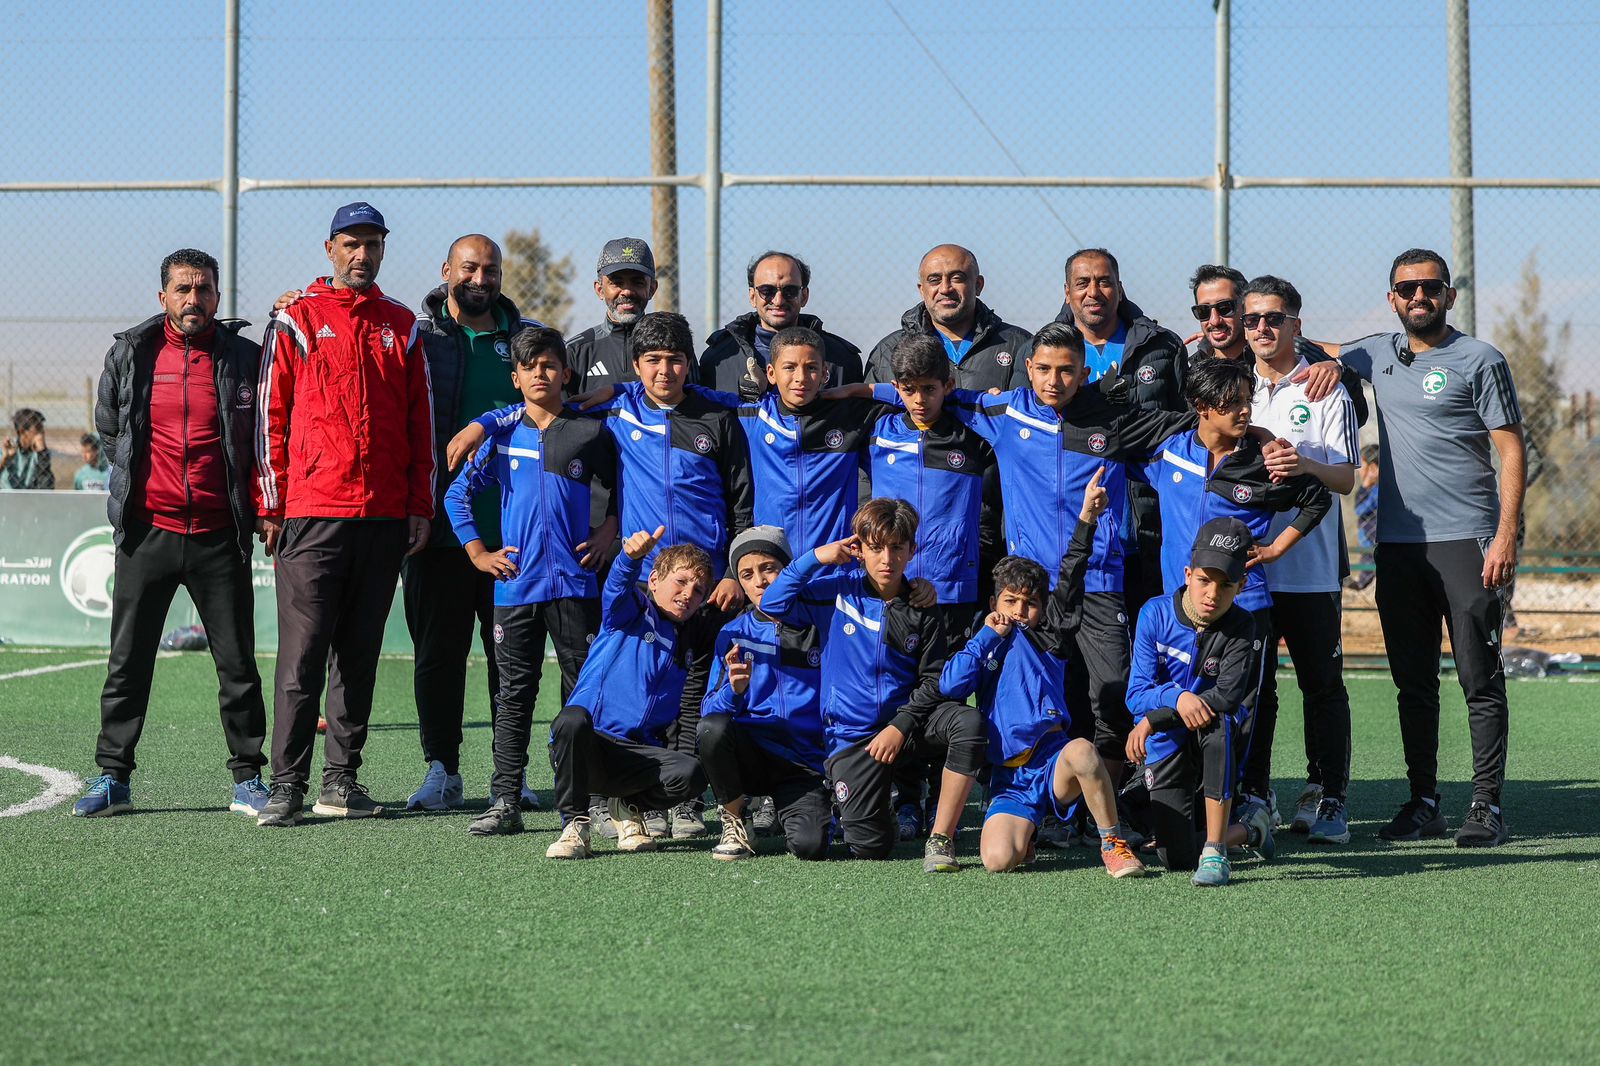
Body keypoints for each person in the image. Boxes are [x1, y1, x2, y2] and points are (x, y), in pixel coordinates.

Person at [859, 322, 1195, 796]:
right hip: (1030, 592)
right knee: (1028, 701)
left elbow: (1193, 425)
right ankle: (1029, 798)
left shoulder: (1114, 419)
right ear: (1028, 370)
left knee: (1112, 696)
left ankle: (1102, 810)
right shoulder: (1004, 410)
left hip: (1098, 581)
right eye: (1043, 370)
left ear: (1083, 372)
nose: (1053, 381)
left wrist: (1257, 432)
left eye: (1066, 371)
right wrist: (862, 390)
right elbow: (927, 395)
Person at [457, 310, 752, 839]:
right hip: (643, 585)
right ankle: (543, 798)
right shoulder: (616, 410)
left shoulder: (716, 418)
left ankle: (677, 801)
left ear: (690, 365)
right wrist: (486, 421)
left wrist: (730, 569)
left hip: (704, 586)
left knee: (694, 689)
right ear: (637, 365)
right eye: (653, 361)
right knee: (626, 688)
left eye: (676, 360)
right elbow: (537, 409)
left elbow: (742, 501)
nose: (665, 371)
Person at [253, 201, 436, 828]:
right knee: (301, 658)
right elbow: (269, 415)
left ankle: (341, 782)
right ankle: (286, 785)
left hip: (384, 516)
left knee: (358, 656)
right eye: (351, 244)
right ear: (330, 248)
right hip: (311, 513)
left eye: (373, 244)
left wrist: (418, 503)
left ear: (383, 251)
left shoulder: (402, 324)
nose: (363, 255)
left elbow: (421, 424)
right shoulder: (296, 318)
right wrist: (271, 502)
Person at [1336, 249, 1525, 848]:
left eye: (1430, 288)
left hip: (1468, 541)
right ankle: (1423, 802)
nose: (1419, 298)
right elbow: (1302, 349)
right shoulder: (1374, 355)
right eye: (1407, 289)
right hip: (1398, 546)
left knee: (1478, 676)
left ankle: (1487, 805)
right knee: (1412, 682)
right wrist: (1221, 335)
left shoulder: (1480, 359)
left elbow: (1512, 451)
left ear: (1447, 294)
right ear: (1392, 297)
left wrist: (1504, 536)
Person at [73, 248, 269, 818]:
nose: (194, 300)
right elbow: (111, 428)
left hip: (218, 535)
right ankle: (113, 777)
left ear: (216, 296)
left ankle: (247, 779)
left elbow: (259, 437)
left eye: (204, 289)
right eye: (183, 289)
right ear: (163, 297)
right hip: (147, 533)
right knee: (128, 661)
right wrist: (143, 488)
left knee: (237, 665)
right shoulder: (132, 352)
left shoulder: (243, 357)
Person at [1135, 356, 1332, 821]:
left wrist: (1277, 549)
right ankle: (1182, 797)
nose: (1244, 412)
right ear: (1201, 407)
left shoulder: (1264, 464)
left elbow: (1316, 498)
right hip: (1179, 609)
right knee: (1180, 698)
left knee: (1247, 706)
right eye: (1231, 404)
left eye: (1246, 401)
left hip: (1245, 607)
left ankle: (1253, 797)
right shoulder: (1167, 452)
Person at [443, 327, 619, 836]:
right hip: (516, 585)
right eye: (530, 366)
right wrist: (478, 552)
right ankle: (505, 800)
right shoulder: (500, 436)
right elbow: (458, 496)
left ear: (566, 373)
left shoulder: (590, 431)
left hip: (575, 584)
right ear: (515, 377)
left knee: (582, 694)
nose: (541, 374)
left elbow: (621, 485)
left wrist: (608, 529)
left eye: (550, 365)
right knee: (513, 695)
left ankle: (585, 803)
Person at [403, 234, 557, 812]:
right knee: (437, 657)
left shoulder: (526, 341)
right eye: (469, 268)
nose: (480, 278)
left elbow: (555, 403)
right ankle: (441, 769)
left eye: (490, 269)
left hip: (515, 536)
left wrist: (487, 423)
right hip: (436, 530)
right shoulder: (418, 338)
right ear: (447, 271)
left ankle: (508, 773)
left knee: (510, 663)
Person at [761, 498, 987, 874]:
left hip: (905, 727)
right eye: (876, 548)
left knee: (968, 722)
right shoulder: (834, 591)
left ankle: (940, 837)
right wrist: (817, 556)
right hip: (853, 737)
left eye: (897, 547)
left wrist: (900, 726)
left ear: (912, 550)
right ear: (860, 550)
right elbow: (773, 602)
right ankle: (852, 798)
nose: (887, 559)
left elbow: (933, 679)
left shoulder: (922, 604)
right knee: (871, 847)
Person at [940, 470, 1145, 877]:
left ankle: (1112, 843)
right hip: (1009, 779)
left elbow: (1071, 573)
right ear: (995, 600)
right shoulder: (983, 641)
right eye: (1011, 600)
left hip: (1054, 765)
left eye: (1030, 603)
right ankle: (1028, 833)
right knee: (998, 862)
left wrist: (1086, 518)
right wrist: (984, 639)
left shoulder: (1050, 633)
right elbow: (950, 685)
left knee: (1084, 751)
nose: (1019, 610)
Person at [858, 334, 999, 840]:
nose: (920, 399)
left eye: (931, 389)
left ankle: (949, 801)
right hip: (896, 594)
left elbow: (992, 512)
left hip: (954, 594)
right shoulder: (877, 432)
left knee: (953, 696)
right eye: (909, 389)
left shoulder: (973, 439)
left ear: (949, 385)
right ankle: (907, 795)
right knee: (899, 691)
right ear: (896, 388)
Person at [1243, 276, 1359, 843]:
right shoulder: (1234, 389)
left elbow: (1344, 478)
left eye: (1273, 318)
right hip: (1248, 571)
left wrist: (1305, 465)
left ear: (1296, 324)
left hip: (1309, 566)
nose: (1262, 329)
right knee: (1255, 688)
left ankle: (1329, 796)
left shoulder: (1323, 388)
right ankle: (1255, 792)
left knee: (1321, 683)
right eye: (1252, 320)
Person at [543, 527, 714, 859]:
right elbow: (617, 586)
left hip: (635, 758)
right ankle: (574, 826)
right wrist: (629, 558)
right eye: (680, 582)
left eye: (698, 590)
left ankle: (627, 807)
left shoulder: (690, 640)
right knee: (572, 718)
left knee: (692, 774)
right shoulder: (630, 612)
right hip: (589, 744)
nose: (687, 594)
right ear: (653, 581)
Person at [1126, 517, 1269, 886]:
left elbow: (1227, 696)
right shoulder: (1153, 613)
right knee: (1175, 859)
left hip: (1212, 733)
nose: (1212, 594)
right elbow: (1135, 692)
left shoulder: (1243, 625)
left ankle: (1217, 851)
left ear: (1242, 586)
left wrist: (1154, 719)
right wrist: (1178, 697)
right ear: (1188, 574)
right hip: (1168, 743)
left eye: (1225, 585)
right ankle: (1249, 829)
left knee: (1217, 723)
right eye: (1204, 580)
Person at [1052, 248, 1190, 609]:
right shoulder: (1046, 351)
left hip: (1145, 531)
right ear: (1067, 292)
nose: (1093, 292)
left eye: (1104, 282)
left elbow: (1189, 427)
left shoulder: (1161, 346)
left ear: (1120, 288)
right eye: (1082, 283)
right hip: (1070, 538)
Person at [697, 526, 831, 861]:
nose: (759, 581)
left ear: (788, 570)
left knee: (810, 847)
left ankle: (800, 809)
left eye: (768, 568)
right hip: (751, 756)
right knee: (712, 729)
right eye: (747, 573)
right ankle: (735, 818)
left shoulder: (822, 622)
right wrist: (734, 690)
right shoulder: (732, 632)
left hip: (802, 763)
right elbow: (708, 710)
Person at [1186, 263, 1366, 426]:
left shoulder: (1290, 355)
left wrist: (1338, 368)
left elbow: (1357, 414)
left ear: (1245, 308)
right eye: (1203, 311)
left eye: (1225, 308)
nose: (1214, 320)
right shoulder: (1191, 368)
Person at [863, 244, 1031, 393]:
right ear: (922, 290)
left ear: (978, 285)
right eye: (934, 280)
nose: (945, 288)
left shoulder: (1019, 344)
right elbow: (876, 417)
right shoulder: (888, 351)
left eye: (957, 278)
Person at [699, 251, 862, 400]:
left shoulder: (841, 360)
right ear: (752, 296)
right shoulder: (718, 360)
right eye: (766, 290)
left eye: (789, 290)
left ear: (804, 296)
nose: (778, 300)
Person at [565, 237, 667, 396]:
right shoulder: (576, 351)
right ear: (599, 290)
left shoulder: (673, 348)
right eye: (617, 283)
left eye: (637, 282)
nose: (626, 291)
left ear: (652, 288)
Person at [1347, 444, 1381, 591]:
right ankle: (1360, 583)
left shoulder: (1378, 490)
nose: (1358, 471)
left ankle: (1361, 584)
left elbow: (1360, 510)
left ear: (1372, 468)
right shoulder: (1372, 489)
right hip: (1368, 541)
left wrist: (1366, 485)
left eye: (1361, 466)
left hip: (1374, 540)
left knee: (1370, 561)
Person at [1, 408, 53, 491]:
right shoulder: (7, 448)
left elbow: (47, 488)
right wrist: (4, 459)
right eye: (38, 430)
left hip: (30, 500)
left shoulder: (40, 453)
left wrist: (42, 454)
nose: (42, 434)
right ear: (22, 431)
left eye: (42, 430)